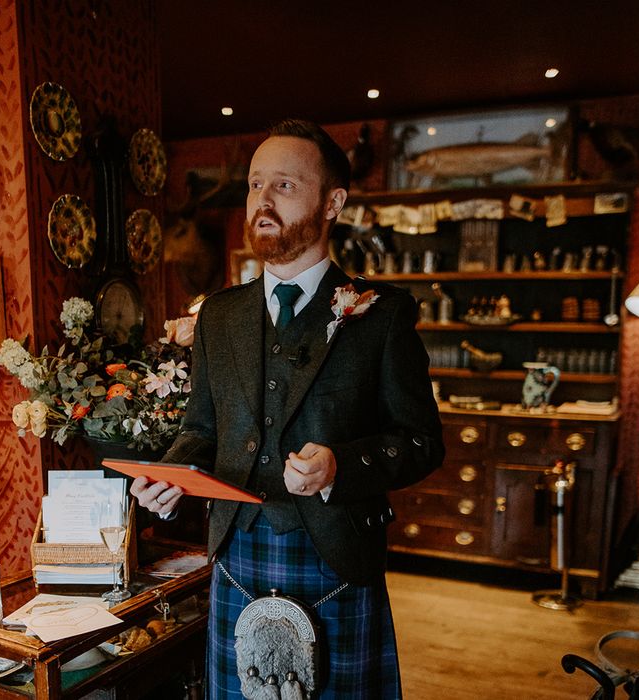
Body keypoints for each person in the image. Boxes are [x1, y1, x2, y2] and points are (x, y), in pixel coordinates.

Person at [132, 119, 445, 698]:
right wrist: (170, 478)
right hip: (236, 559)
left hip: (337, 561)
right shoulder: (218, 316)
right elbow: (200, 429)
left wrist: (340, 467)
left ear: (333, 203)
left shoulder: (382, 317)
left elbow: (422, 441)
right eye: (255, 185)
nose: (262, 201)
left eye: (284, 185)